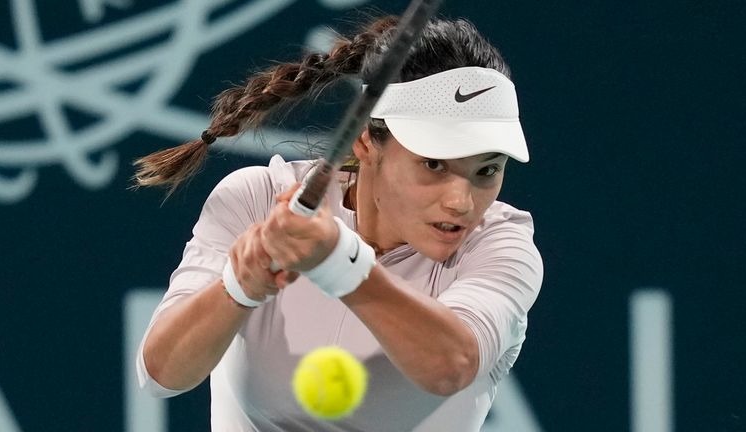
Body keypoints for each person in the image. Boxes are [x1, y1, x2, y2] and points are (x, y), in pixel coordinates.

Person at [133, 15, 543, 432]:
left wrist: (338, 261)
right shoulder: (255, 199)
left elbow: (451, 367)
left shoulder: (501, 246)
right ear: (365, 141)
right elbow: (160, 375)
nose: (461, 203)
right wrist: (239, 286)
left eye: (487, 170)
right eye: (434, 164)